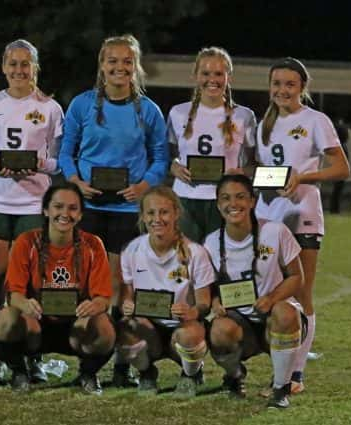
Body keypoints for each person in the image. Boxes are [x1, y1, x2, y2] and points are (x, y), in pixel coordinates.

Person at [58, 34, 168, 386]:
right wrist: (74, 180)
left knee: (121, 288)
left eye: (126, 62)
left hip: (126, 210)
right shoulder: (81, 104)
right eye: (112, 61)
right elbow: (66, 152)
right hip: (88, 208)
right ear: (101, 66)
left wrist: (144, 184)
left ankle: (122, 365)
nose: (119, 68)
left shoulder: (148, 110)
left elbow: (161, 157)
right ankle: (86, 363)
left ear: (135, 67)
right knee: (86, 287)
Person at [0, 39, 64, 380]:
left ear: (35, 68)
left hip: (32, 202)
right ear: (3, 67)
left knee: (29, 282)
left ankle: (29, 351)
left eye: (26, 64)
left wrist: (38, 163)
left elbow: (57, 162)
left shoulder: (50, 108)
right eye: (13, 64)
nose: (19, 70)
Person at [255, 58, 350, 393]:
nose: (282, 90)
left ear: (301, 88)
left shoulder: (315, 120)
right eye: (277, 83)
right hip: (269, 217)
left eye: (290, 85)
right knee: (273, 296)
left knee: (302, 294)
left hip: (304, 215)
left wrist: (304, 176)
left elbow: (342, 168)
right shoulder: (262, 124)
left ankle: (295, 376)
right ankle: (282, 368)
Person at [0, 182, 115, 394]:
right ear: (46, 210)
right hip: (36, 325)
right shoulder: (27, 242)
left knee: (104, 327)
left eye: (73, 208)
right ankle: (19, 372)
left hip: (76, 326)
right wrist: (25, 304)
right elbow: (14, 295)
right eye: (58, 207)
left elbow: (103, 298)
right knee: (6, 318)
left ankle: (88, 374)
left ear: (81, 215)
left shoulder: (93, 245)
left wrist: (94, 306)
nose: (65, 213)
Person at [204, 174, 304, 408]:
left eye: (240, 197)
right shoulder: (210, 242)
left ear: (252, 201)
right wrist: (215, 302)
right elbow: (208, 287)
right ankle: (234, 376)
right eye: (225, 198)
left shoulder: (276, 231)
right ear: (218, 204)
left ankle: (281, 389)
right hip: (240, 323)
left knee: (286, 312)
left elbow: (297, 277)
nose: (233, 204)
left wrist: (271, 298)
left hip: (273, 319)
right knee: (219, 330)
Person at [116, 186, 214, 398]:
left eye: (164, 212)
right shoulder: (132, 250)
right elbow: (127, 297)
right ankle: (147, 373)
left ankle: (191, 375)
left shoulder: (196, 252)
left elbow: (204, 303)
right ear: (142, 215)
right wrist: (127, 306)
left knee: (191, 335)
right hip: (149, 329)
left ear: (176, 213)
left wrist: (192, 313)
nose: (157, 219)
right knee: (125, 332)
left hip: (180, 328)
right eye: (150, 213)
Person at [168, 47, 257, 242]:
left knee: (221, 263)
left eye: (218, 73)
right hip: (185, 198)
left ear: (228, 77)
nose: (212, 79)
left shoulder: (244, 116)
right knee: (187, 262)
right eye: (206, 73)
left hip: (225, 200)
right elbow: (168, 155)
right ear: (195, 76)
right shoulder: (177, 113)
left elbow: (253, 163)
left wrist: (241, 172)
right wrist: (173, 166)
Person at [329, 117, 350, 214]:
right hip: (339, 171)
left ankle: (334, 209)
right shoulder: (342, 146)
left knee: (337, 190)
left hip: (338, 170)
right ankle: (334, 209)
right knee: (337, 190)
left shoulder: (339, 145)